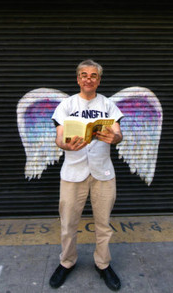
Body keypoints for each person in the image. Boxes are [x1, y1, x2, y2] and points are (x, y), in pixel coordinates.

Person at [49, 59, 123, 291]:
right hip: (72, 173)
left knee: (103, 224)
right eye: (84, 75)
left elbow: (119, 133)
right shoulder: (66, 105)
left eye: (93, 75)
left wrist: (115, 138)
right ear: (78, 79)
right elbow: (60, 136)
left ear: (99, 80)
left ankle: (103, 264)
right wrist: (64, 145)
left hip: (103, 172)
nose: (88, 79)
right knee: (68, 223)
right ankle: (67, 262)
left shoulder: (109, 105)